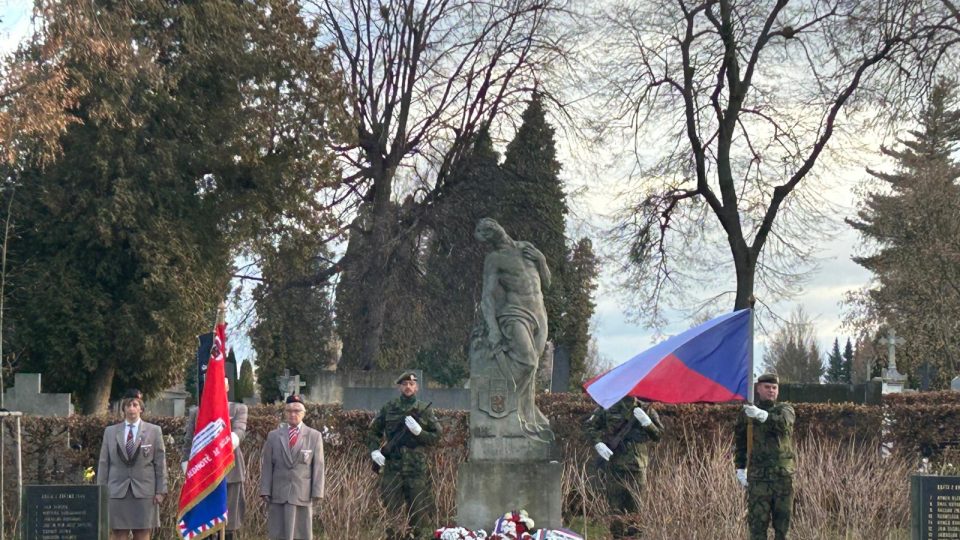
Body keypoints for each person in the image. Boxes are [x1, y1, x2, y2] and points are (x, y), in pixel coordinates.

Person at [474, 217, 554, 441]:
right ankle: (505, 412)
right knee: (527, 361)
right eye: (486, 235)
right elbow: (487, 297)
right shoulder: (494, 259)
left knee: (533, 366)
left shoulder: (527, 248)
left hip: (539, 314)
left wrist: (542, 260)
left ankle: (526, 416)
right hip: (515, 313)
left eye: (491, 229)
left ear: (499, 227)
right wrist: (493, 328)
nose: (492, 234)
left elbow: (546, 283)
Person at [367, 372, 441, 540]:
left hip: (416, 469)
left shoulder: (424, 410)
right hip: (393, 467)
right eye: (405, 384)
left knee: (418, 512)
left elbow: (436, 436)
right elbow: (373, 432)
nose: (408, 387)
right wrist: (374, 451)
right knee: (391, 511)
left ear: (416, 387)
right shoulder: (389, 408)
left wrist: (420, 432)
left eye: (411, 384)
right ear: (399, 387)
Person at [586, 395, 662, 538]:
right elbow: (589, 426)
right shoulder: (608, 406)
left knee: (636, 510)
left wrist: (647, 423)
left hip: (637, 468)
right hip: (615, 466)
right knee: (615, 510)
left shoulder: (645, 408)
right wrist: (598, 443)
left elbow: (658, 435)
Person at [181, 377, 248, 540]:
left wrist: (223, 445)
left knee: (228, 524)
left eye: (220, 385)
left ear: (227, 388)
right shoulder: (197, 412)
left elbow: (240, 431)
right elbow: (189, 440)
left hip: (230, 472)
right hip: (203, 474)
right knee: (205, 523)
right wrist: (187, 466)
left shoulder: (238, 409)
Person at [97, 389, 168, 540]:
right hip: (117, 491)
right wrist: (101, 492)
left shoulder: (154, 431)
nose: (131, 409)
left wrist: (161, 491)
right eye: (128, 405)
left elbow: (160, 463)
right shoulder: (110, 432)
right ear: (123, 409)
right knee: (118, 534)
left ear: (141, 408)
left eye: (135, 405)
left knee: (142, 533)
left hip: (144, 492)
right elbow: (104, 463)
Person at [735, 373, 796, 540]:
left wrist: (761, 415)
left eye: (774, 388)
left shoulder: (785, 409)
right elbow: (740, 442)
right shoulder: (747, 413)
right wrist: (740, 468)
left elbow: (783, 425)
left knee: (782, 528)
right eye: (767, 387)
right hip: (758, 478)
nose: (771, 391)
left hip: (782, 478)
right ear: (758, 389)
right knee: (757, 528)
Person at [260, 394, 325, 540]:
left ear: (304, 413)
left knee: (302, 533)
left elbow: (318, 466)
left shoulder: (314, 436)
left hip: (302, 493)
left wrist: (317, 492)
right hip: (278, 494)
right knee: (278, 533)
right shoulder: (274, 436)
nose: (293, 414)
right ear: (284, 413)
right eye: (289, 411)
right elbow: (267, 466)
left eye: (297, 411)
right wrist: (265, 490)